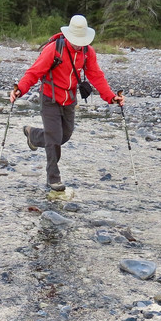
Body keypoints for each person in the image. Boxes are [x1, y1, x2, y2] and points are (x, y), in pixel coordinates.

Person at [11, 15, 124, 192]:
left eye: (81, 40)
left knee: (65, 136)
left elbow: (96, 76)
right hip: (49, 98)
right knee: (54, 138)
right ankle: (53, 178)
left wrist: (111, 97)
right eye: (75, 40)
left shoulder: (88, 52)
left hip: (69, 99)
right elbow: (34, 72)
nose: (78, 44)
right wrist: (20, 89)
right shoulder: (54, 49)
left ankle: (33, 135)